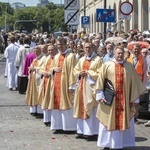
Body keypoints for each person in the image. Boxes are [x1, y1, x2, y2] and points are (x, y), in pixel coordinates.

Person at [94, 46, 145, 150]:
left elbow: (134, 83)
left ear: (124, 54)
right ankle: (107, 144)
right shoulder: (107, 65)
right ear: (114, 53)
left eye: (121, 53)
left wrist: (134, 99)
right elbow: (100, 81)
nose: (120, 55)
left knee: (124, 121)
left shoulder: (129, 66)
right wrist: (100, 95)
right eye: (118, 53)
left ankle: (123, 144)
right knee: (108, 120)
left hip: (125, 101)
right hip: (110, 100)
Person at [73, 41, 103, 141]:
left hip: (91, 88)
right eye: (85, 47)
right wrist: (79, 73)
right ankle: (81, 131)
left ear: (93, 48)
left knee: (91, 108)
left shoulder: (98, 59)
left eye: (89, 47)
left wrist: (88, 73)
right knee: (81, 107)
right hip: (81, 86)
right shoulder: (81, 59)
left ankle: (92, 132)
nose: (87, 49)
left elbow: (100, 74)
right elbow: (75, 70)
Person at [48, 37, 77, 134]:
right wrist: (53, 69)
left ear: (65, 45)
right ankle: (57, 125)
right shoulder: (56, 56)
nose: (59, 47)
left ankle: (68, 127)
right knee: (56, 104)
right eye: (58, 45)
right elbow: (51, 67)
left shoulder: (71, 56)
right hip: (56, 84)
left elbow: (74, 71)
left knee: (67, 104)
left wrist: (72, 86)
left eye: (61, 45)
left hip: (66, 85)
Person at [127, 43, 147, 124]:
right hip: (129, 82)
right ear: (132, 49)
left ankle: (135, 117)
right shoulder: (128, 57)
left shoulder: (143, 59)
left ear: (140, 50)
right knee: (129, 100)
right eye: (135, 49)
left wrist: (143, 85)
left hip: (138, 83)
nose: (136, 50)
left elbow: (145, 72)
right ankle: (128, 115)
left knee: (136, 101)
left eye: (138, 49)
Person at [38, 44, 58, 126]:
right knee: (45, 99)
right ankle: (46, 119)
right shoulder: (46, 59)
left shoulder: (57, 58)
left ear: (56, 50)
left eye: (52, 50)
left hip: (52, 81)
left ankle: (52, 120)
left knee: (51, 99)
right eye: (49, 50)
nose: (50, 52)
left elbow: (58, 69)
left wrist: (50, 73)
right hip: (45, 81)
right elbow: (40, 68)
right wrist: (43, 72)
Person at [25, 46, 43, 116]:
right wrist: (30, 69)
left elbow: (42, 68)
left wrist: (35, 68)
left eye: (37, 51)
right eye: (34, 51)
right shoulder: (35, 59)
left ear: (40, 51)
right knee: (32, 93)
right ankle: (33, 110)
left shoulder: (42, 59)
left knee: (38, 94)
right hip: (33, 78)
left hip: (38, 79)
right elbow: (31, 66)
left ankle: (39, 111)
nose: (36, 52)